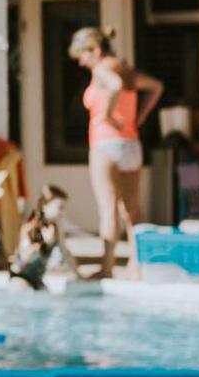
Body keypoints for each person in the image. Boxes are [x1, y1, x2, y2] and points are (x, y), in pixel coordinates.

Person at [68, 27, 163, 279]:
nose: (80, 61)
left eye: (82, 55)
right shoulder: (125, 69)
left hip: (105, 144)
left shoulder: (102, 70)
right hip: (131, 144)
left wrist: (108, 115)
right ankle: (138, 264)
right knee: (132, 210)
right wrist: (140, 115)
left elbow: (115, 85)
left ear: (96, 50)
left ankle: (107, 267)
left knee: (108, 210)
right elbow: (156, 86)